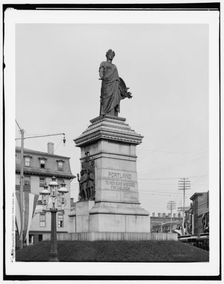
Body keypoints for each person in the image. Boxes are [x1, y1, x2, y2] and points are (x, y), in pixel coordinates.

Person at [99, 49, 132, 116]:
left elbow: (117, 78)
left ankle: (112, 114)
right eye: (109, 54)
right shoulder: (103, 63)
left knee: (114, 98)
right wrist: (101, 76)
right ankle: (105, 112)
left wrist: (123, 90)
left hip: (114, 84)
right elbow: (101, 71)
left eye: (112, 55)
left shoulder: (114, 66)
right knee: (105, 98)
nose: (111, 56)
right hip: (106, 83)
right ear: (107, 55)